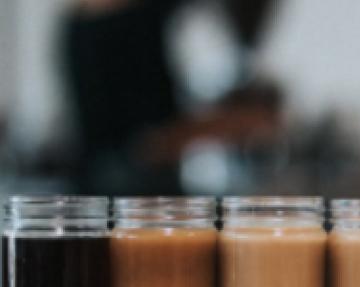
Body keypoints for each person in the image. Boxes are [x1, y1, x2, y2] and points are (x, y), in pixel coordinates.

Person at [63, 0, 280, 195]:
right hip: (133, 203)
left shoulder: (79, 19)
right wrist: (232, 123)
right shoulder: (125, 22)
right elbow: (147, 145)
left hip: (112, 192)